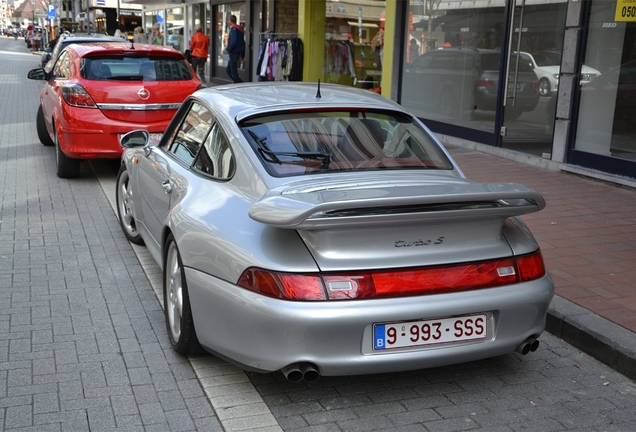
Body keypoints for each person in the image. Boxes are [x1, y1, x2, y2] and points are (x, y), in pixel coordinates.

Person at [224, 15, 244, 83]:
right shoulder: (239, 29)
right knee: (228, 70)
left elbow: (233, 41)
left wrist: (229, 49)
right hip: (237, 52)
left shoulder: (234, 29)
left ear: (230, 21)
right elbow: (243, 42)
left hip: (233, 52)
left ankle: (239, 84)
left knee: (233, 72)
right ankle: (237, 82)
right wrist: (242, 55)